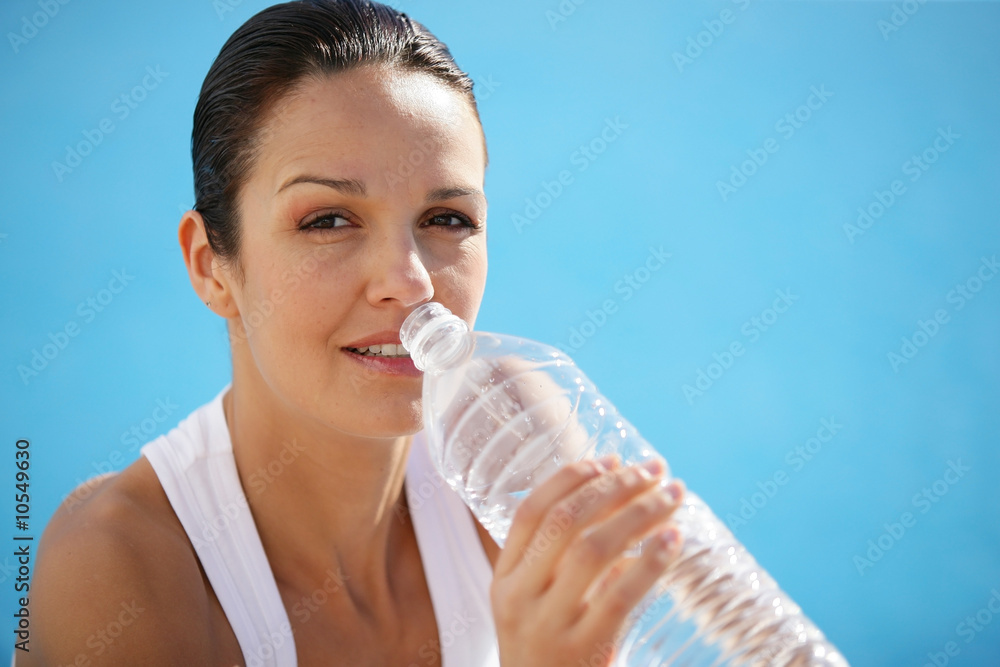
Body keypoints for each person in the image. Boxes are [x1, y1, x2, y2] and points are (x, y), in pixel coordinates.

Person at [23, 1, 686, 665]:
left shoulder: (510, 433)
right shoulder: (117, 564)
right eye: (329, 220)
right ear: (211, 266)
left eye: (448, 218)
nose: (410, 281)